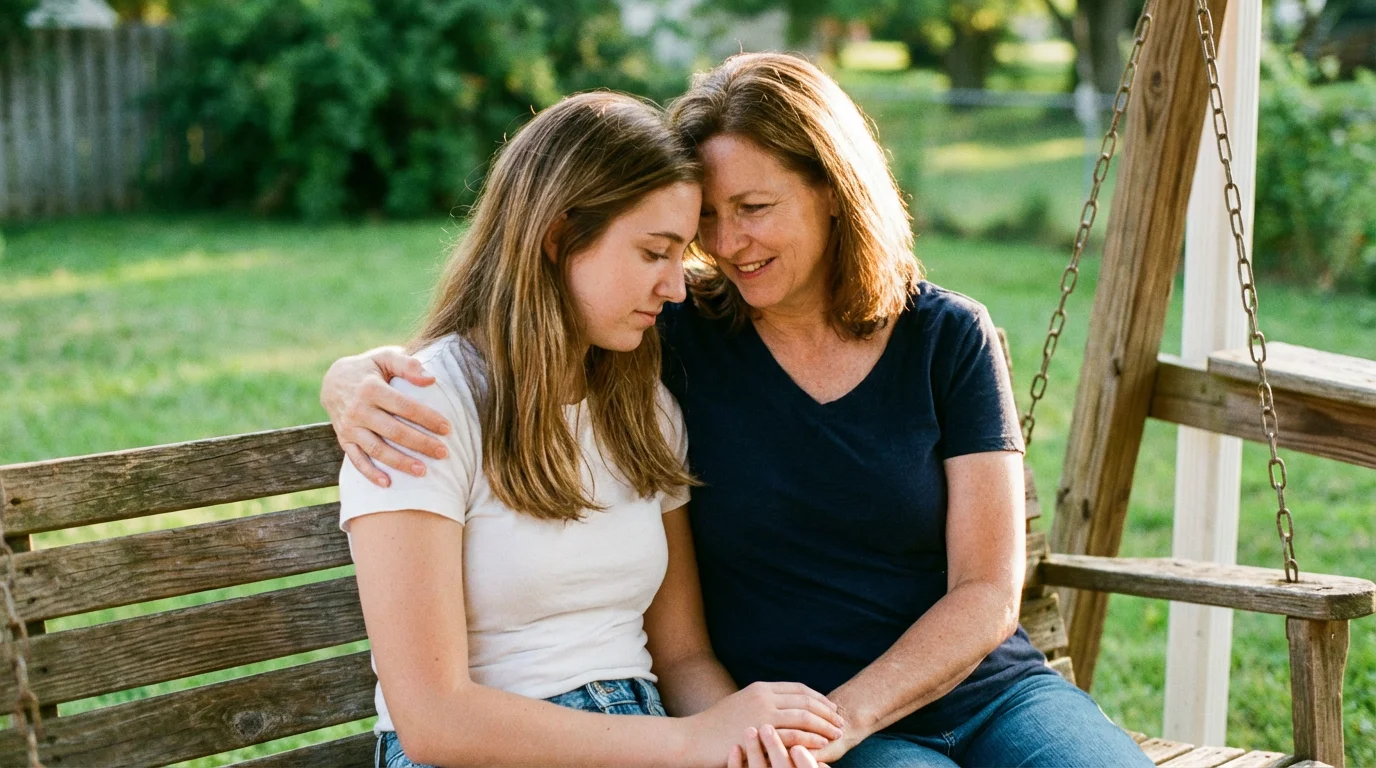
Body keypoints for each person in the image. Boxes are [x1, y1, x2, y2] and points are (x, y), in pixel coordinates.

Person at [325, 54, 1154, 767]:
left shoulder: (936, 337)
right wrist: (353, 381)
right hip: (786, 712)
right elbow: (512, 338)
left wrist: (808, 722)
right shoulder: (674, 340)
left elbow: (983, 588)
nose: (718, 251)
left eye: (753, 209)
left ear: (833, 191)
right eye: (701, 227)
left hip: (958, 693)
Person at [336, 90, 844, 768]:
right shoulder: (421, 411)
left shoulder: (644, 411)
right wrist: (689, 742)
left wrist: (744, 737)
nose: (676, 288)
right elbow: (432, 718)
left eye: (680, 254)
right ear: (557, 237)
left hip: (641, 732)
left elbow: (683, 654)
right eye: (653, 253)